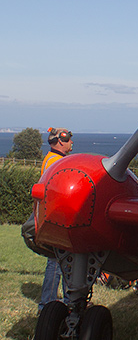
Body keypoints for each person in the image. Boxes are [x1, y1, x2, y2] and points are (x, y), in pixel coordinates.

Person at [36, 127, 73, 312]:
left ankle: (68, 301)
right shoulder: (57, 162)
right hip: (56, 217)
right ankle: (47, 304)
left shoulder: (51, 159)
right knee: (57, 261)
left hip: (52, 216)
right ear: (60, 141)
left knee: (64, 261)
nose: (71, 143)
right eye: (69, 140)